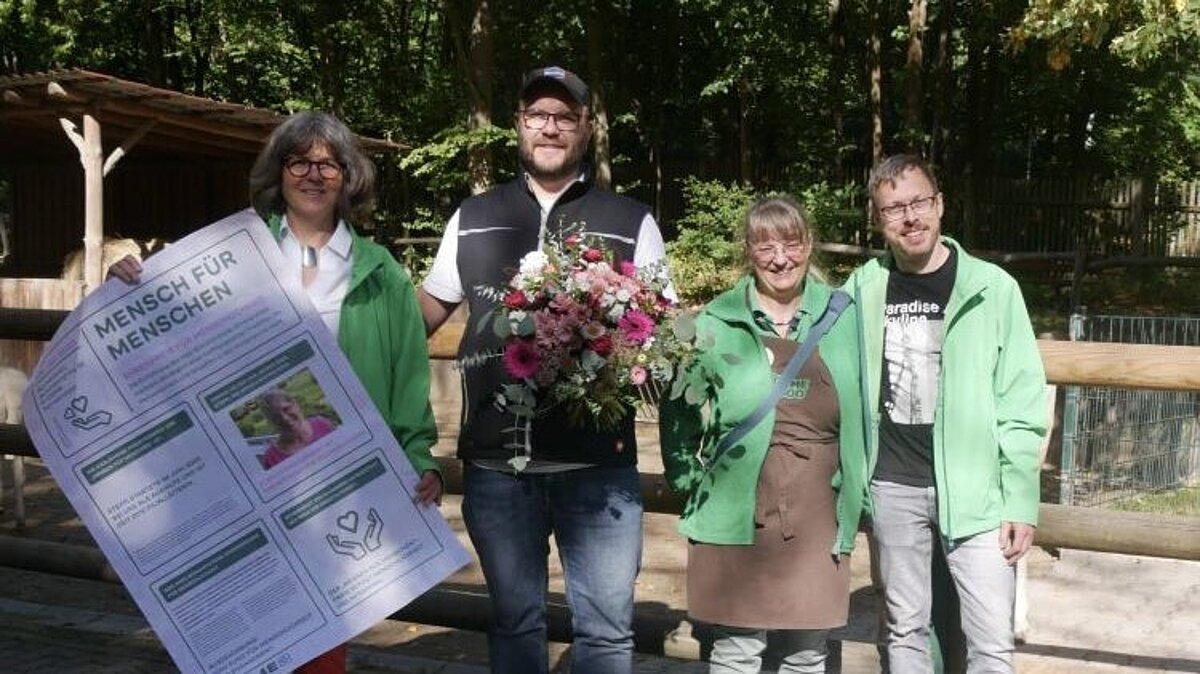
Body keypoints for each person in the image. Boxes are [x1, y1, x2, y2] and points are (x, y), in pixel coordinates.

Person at [109, 111, 442, 674]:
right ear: (279, 172)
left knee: (323, 623)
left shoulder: (380, 270)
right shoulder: (236, 254)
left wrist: (417, 455)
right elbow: (178, 330)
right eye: (299, 161)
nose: (314, 174)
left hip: (339, 472)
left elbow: (407, 375)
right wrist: (133, 287)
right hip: (251, 469)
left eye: (329, 163)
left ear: (348, 177)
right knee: (255, 623)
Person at [418, 66, 671, 674]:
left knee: (608, 634)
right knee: (512, 625)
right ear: (519, 126)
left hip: (597, 468)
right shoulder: (474, 215)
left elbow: (660, 338)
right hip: (498, 468)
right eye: (538, 115)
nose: (550, 127)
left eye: (564, 116)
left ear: (586, 129)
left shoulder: (631, 219)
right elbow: (416, 320)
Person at [844, 154, 1047, 673]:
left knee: (991, 640)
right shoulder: (861, 289)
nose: (909, 217)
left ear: (940, 205)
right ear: (878, 219)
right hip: (892, 486)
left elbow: (1022, 402)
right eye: (894, 208)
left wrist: (1020, 497)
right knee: (905, 631)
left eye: (918, 202)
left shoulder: (993, 289)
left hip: (978, 490)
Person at [659, 197, 868, 673]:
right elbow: (677, 409)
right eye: (765, 246)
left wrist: (859, 490)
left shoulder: (845, 319)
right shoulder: (711, 323)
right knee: (736, 652)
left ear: (809, 246)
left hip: (819, 505)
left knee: (807, 652)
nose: (780, 258)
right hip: (736, 503)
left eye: (791, 244)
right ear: (748, 252)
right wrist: (689, 478)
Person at [257, 388, 336, 469]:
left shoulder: (323, 425)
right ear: (271, 421)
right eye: (275, 415)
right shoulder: (271, 458)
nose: (285, 418)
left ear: (295, 404)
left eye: (286, 409)